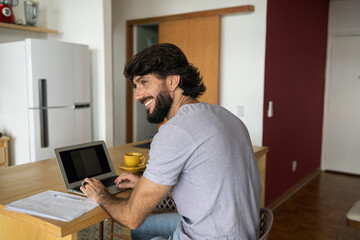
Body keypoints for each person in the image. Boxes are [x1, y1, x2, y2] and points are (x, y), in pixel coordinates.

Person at [80, 43, 262, 239]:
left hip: (212, 234)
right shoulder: (227, 116)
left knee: (137, 226)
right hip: (242, 230)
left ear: (172, 82)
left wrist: (101, 195)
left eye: (144, 82)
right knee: (141, 230)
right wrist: (146, 184)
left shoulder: (175, 131)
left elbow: (131, 217)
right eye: (136, 86)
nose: (137, 95)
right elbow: (203, 188)